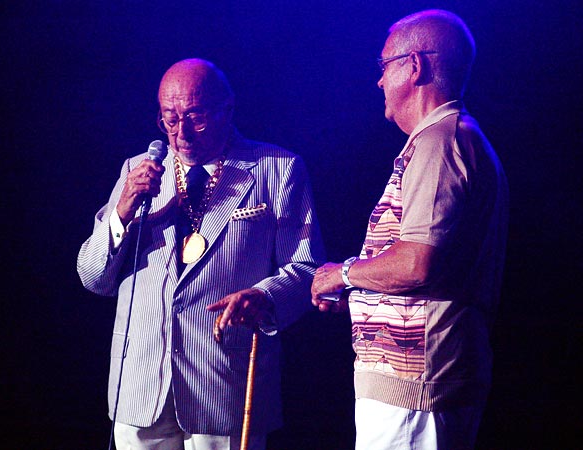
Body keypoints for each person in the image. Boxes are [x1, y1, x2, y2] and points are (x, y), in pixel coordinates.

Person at [78, 58, 325, 450]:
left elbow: (307, 268)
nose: (181, 133)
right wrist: (122, 210)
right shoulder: (138, 172)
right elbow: (93, 277)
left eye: (195, 116)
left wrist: (263, 297)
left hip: (225, 385)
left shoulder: (276, 169)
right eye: (169, 119)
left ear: (227, 109)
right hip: (141, 387)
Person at [311, 10, 508, 450]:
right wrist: (364, 295)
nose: (379, 81)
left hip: (417, 393)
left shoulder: (441, 142)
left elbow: (418, 263)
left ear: (414, 65)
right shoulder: (446, 138)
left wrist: (342, 274)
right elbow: (436, 268)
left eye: (384, 67)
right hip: (415, 388)